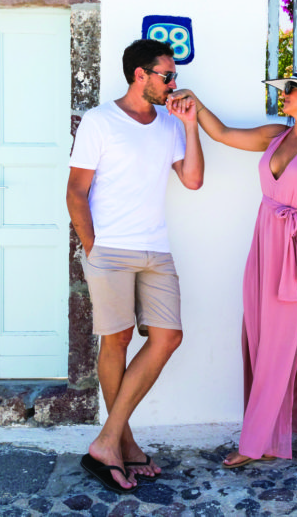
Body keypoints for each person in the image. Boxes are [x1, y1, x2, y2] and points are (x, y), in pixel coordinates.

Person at [171, 66, 297, 466]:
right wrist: (194, 101)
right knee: (264, 340)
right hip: (266, 246)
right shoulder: (275, 135)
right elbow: (223, 134)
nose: (283, 96)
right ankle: (265, 433)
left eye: (291, 91)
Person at [66, 39, 204, 493]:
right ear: (140, 75)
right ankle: (121, 443)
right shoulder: (100, 121)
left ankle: (107, 442)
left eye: (174, 77)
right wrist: (93, 248)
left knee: (168, 337)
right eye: (167, 76)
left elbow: (193, 180)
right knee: (118, 339)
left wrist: (190, 126)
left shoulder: (168, 124)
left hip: (155, 249)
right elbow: (76, 191)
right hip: (111, 249)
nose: (174, 84)